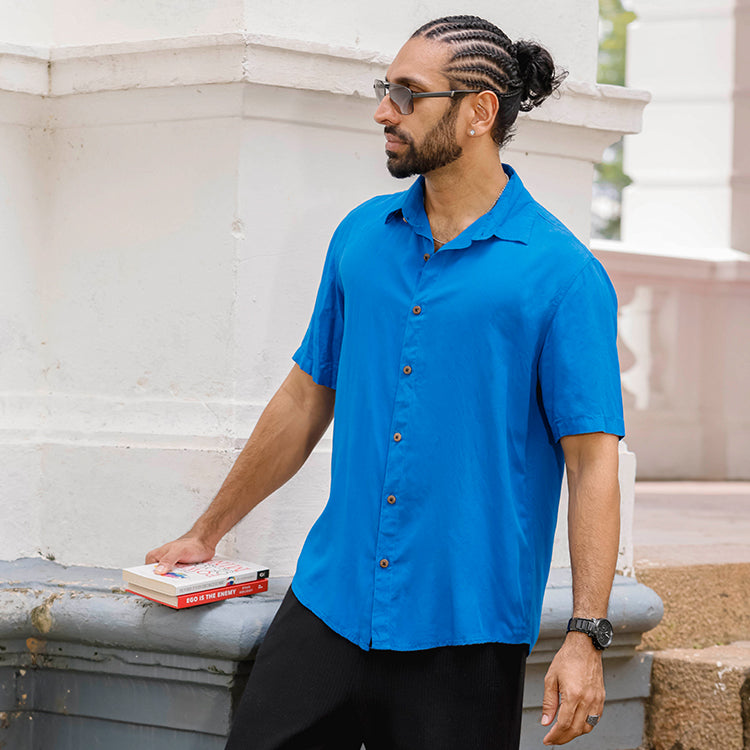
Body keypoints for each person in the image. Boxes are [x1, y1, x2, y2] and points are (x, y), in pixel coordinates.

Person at [147, 14, 624, 750]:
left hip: (464, 631)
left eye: (407, 94)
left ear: (479, 112)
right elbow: (308, 394)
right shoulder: (361, 237)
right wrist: (208, 529)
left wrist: (586, 635)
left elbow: (591, 463)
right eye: (385, 89)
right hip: (330, 604)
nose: (383, 111)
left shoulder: (562, 275)